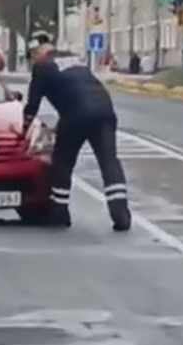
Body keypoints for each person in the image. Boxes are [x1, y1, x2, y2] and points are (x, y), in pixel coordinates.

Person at [22, 33, 132, 232]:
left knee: (62, 162)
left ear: (35, 53)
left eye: (30, 58)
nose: (31, 64)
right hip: (104, 110)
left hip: (75, 116)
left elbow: (32, 106)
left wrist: (24, 127)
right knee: (109, 161)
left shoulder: (42, 67)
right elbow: (78, 89)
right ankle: (121, 214)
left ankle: (59, 213)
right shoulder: (74, 58)